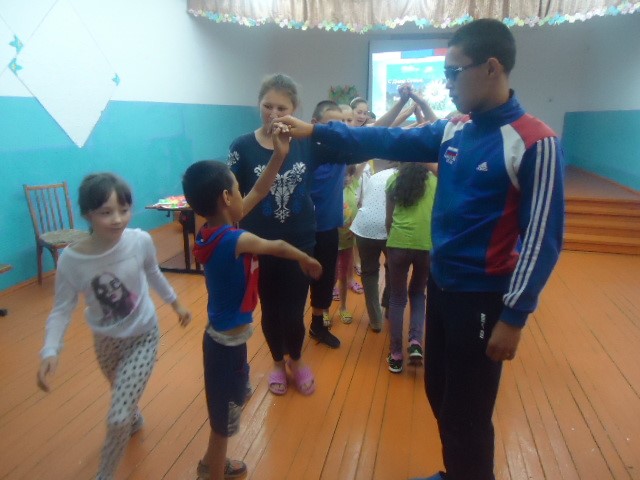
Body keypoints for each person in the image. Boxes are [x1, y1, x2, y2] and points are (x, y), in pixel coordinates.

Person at [278, 18, 565, 480]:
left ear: (491, 68)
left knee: (468, 414)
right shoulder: (454, 129)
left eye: (453, 72)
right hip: (443, 290)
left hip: (482, 298)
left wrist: (514, 317)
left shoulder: (536, 142)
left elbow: (543, 239)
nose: (446, 83)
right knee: (439, 394)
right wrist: (316, 132)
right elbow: (386, 138)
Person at [36, 173, 192, 480]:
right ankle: (133, 416)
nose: (118, 219)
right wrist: (50, 350)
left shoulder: (140, 241)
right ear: (87, 214)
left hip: (143, 336)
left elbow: (153, 273)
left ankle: (104, 474)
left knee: (117, 416)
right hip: (105, 341)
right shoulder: (71, 260)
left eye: (124, 209)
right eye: (106, 212)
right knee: (123, 397)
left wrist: (175, 304)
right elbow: (62, 309)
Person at [182, 144, 322, 479]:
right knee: (223, 424)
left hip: (224, 340)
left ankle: (210, 463)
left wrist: (278, 155)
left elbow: (260, 189)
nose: (243, 194)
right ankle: (213, 472)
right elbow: (277, 246)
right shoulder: (235, 239)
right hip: (226, 348)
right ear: (226, 198)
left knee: (227, 411)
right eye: (237, 189)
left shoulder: (209, 232)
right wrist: (306, 258)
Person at [228, 74, 366, 394]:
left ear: (294, 110)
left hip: (301, 240)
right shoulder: (242, 146)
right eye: (268, 106)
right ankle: (277, 362)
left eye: (282, 108)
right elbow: (233, 198)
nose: (274, 114)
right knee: (270, 308)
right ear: (259, 104)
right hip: (259, 242)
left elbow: (352, 146)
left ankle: (297, 359)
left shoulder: (306, 143)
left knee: (293, 308)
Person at [384, 163, 437, 373]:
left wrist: (391, 240)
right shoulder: (435, 181)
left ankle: (396, 355)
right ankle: (415, 342)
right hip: (426, 245)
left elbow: (389, 219)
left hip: (398, 243)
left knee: (397, 299)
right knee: (417, 294)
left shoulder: (393, 180)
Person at [308, 100, 345, 329]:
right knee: (297, 280)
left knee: (325, 278)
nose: (336, 131)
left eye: (341, 126)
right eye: (331, 124)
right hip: (302, 230)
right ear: (315, 123)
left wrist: (402, 104)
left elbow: (375, 132)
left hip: (328, 228)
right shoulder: (303, 152)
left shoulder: (341, 152)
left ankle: (317, 324)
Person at [349, 162, 397, 332]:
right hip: (389, 229)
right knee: (394, 268)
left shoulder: (375, 176)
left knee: (369, 272)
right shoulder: (403, 178)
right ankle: (390, 307)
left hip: (364, 226)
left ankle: (375, 320)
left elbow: (362, 200)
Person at [334, 164, 360, 324]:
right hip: (331, 240)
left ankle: (343, 307)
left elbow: (359, 167)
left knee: (343, 276)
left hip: (348, 241)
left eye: (349, 175)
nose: (347, 178)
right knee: (330, 275)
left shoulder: (352, 186)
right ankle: (324, 310)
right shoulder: (332, 188)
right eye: (344, 175)